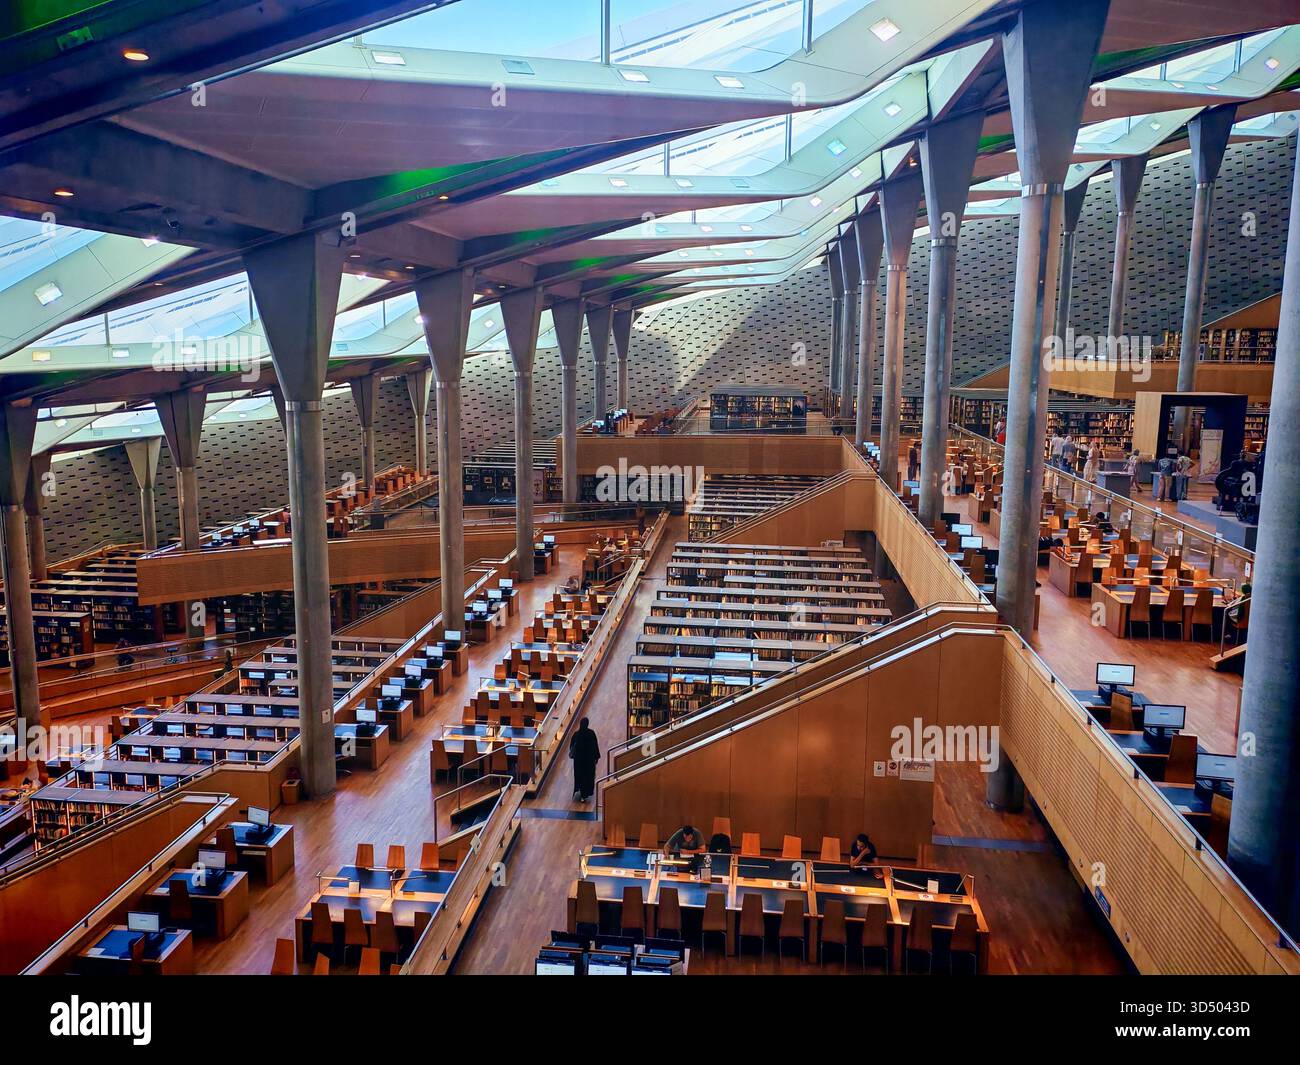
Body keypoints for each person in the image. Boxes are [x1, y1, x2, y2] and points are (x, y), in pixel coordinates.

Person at [567, 717, 600, 802]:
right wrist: (596, 757)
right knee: (588, 777)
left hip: (579, 761)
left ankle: (581, 792)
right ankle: (585, 793)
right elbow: (595, 746)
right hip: (589, 761)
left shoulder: (576, 734)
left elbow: (571, 747)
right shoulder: (591, 733)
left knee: (580, 776)